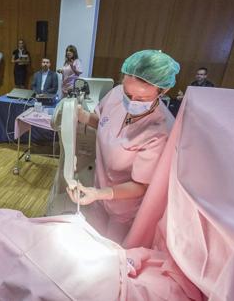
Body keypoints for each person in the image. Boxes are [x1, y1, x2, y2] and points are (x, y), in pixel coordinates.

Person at [67, 49, 180, 241]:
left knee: (113, 253)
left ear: (163, 90)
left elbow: (141, 185)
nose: (132, 102)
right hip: (98, 192)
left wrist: (101, 193)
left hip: (125, 210)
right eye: (128, 94)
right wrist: (84, 117)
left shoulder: (160, 130)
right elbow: (104, 123)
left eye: (142, 99)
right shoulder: (116, 94)